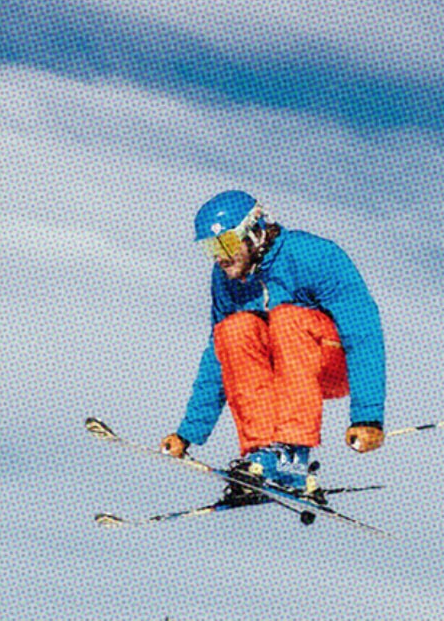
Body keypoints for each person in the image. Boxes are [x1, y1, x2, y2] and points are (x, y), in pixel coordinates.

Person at [160, 189, 385, 503]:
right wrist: (189, 432)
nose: (219, 256)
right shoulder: (224, 279)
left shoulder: (312, 255)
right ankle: (263, 456)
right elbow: (218, 358)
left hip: (333, 362)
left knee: (286, 318)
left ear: (254, 232)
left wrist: (367, 416)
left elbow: (363, 330)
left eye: (225, 243)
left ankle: (290, 453)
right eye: (210, 247)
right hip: (284, 367)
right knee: (234, 331)